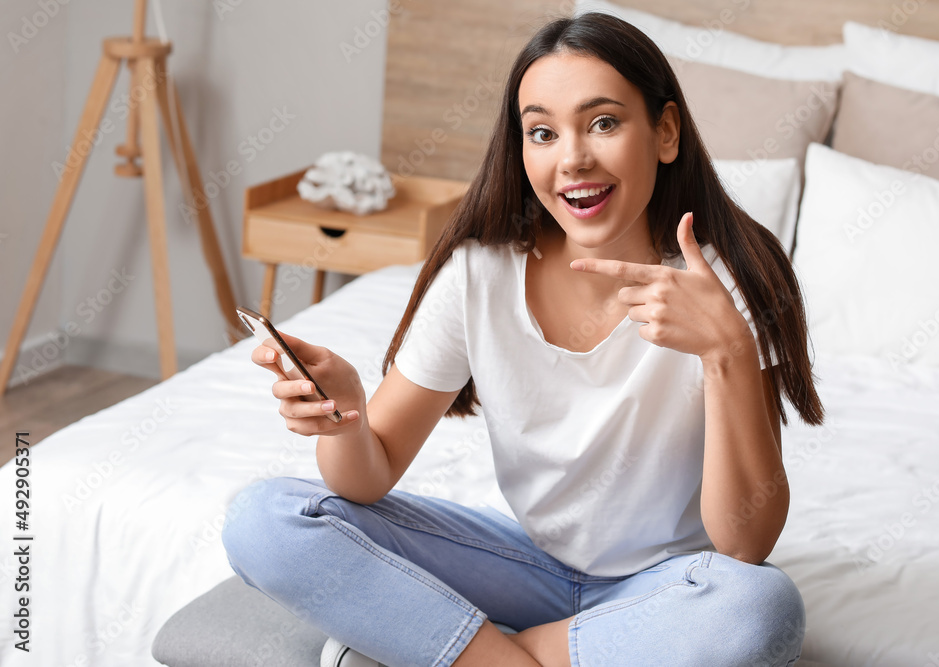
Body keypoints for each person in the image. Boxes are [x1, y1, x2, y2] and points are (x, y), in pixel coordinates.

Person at [221, 10, 825, 667]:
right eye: (542, 132)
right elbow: (369, 477)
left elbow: (744, 544)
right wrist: (345, 420)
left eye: (604, 122)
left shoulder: (726, 282)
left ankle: (464, 652)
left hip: (666, 586)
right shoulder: (480, 274)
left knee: (762, 609)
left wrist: (726, 352)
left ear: (666, 132)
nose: (573, 158)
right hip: (523, 566)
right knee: (264, 519)